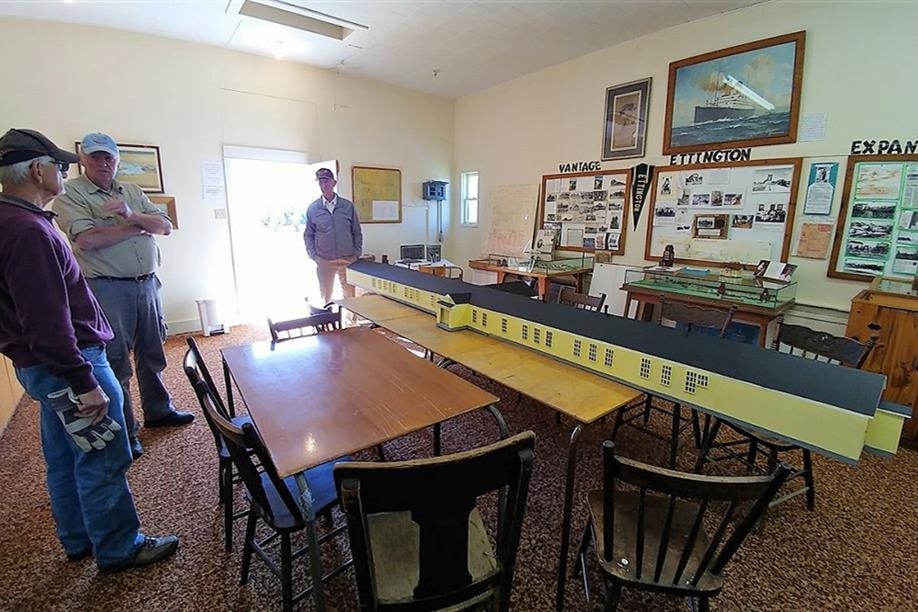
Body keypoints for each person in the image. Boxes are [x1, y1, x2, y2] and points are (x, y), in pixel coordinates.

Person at [0, 128, 178, 570]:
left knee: (63, 452)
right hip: (69, 363)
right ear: (37, 170)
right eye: (59, 165)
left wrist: (129, 220)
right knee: (103, 452)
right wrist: (83, 380)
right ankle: (120, 547)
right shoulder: (28, 230)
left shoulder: (13, 219)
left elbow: (164, 226)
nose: (63, 171)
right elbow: (48, 318)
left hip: (44, 365)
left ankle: (78, 538)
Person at [53, 133, 192, 460]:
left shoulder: (131, 191)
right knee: (116, 361)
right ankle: (127, 431)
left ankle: (158, 410)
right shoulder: (71, 194)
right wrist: (139, 225)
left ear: (116, 160)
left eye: (108, 158)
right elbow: (87, 240)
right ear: (83, 160)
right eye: (96, 157)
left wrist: (132, 216)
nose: (103, 163)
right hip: (107, 288)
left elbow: (165, 226)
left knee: (153, 351)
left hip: (147, 284)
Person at [303, 167, 363, 304]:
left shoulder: (347, 206)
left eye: (326, 181)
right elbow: (308, 235)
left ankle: (351, 322)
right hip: (324, 260)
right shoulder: (313, 208)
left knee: (350, 297)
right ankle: (328, 323)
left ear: (334, 183)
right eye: (320, 182)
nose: (323, 186)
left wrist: (356, 253)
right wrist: (314, 256)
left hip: (347, 259)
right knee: (326, 297)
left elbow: (356, 232)